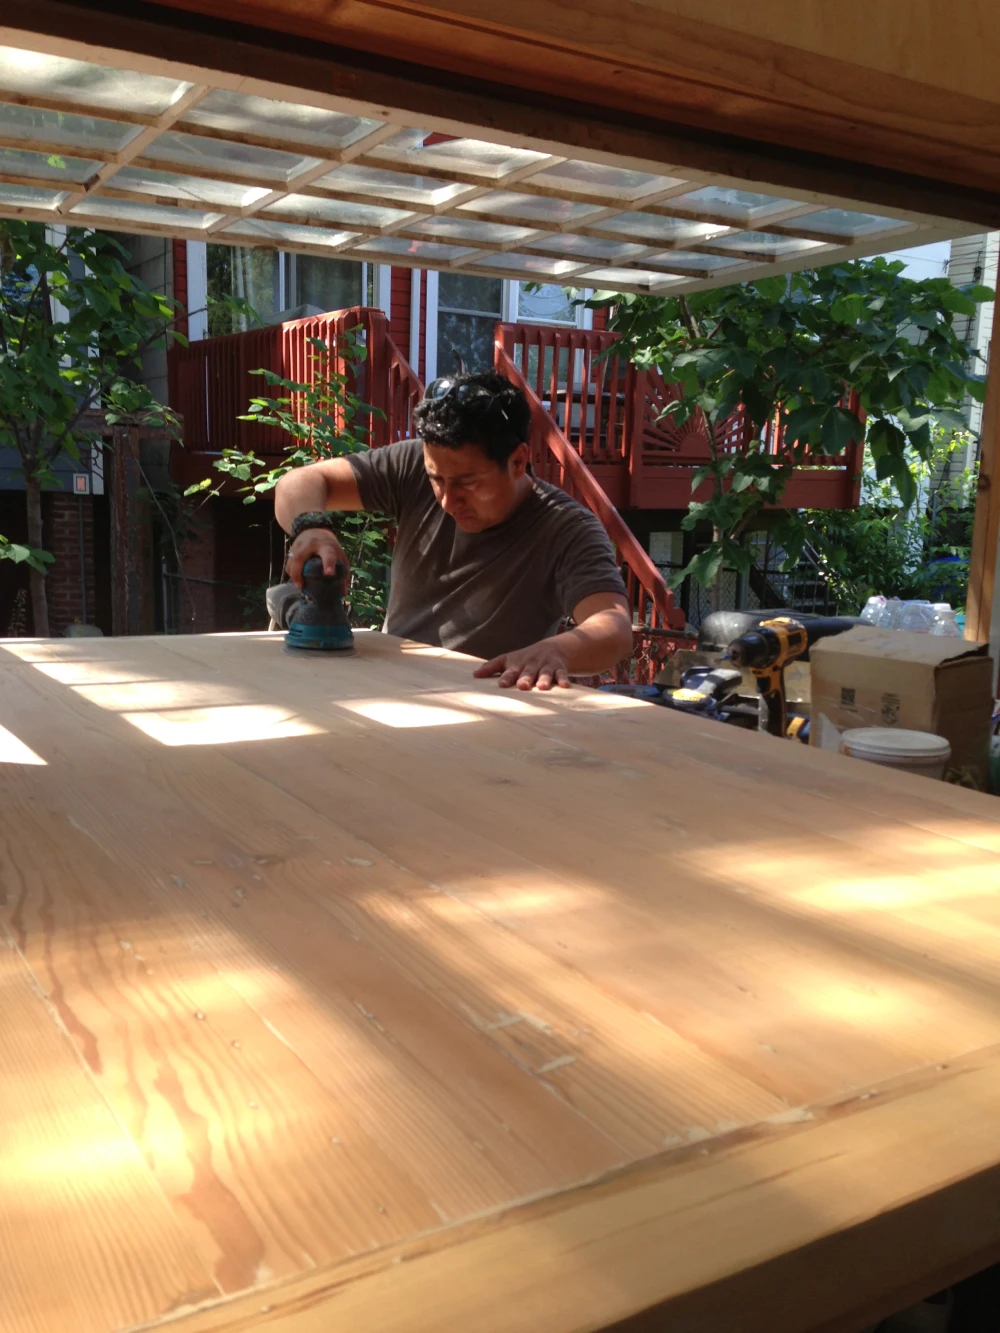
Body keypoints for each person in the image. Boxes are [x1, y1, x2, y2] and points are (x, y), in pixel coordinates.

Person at [273, 370, 633, 691]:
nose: (448, 500)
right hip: (385, 686)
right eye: (437, 480)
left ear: (519, 460)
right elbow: (299, 481)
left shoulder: (567, 529)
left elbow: (614, 629)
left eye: (468, 483)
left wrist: (558, 650)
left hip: (484, 707)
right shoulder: (413, 465)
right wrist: (312, 528)